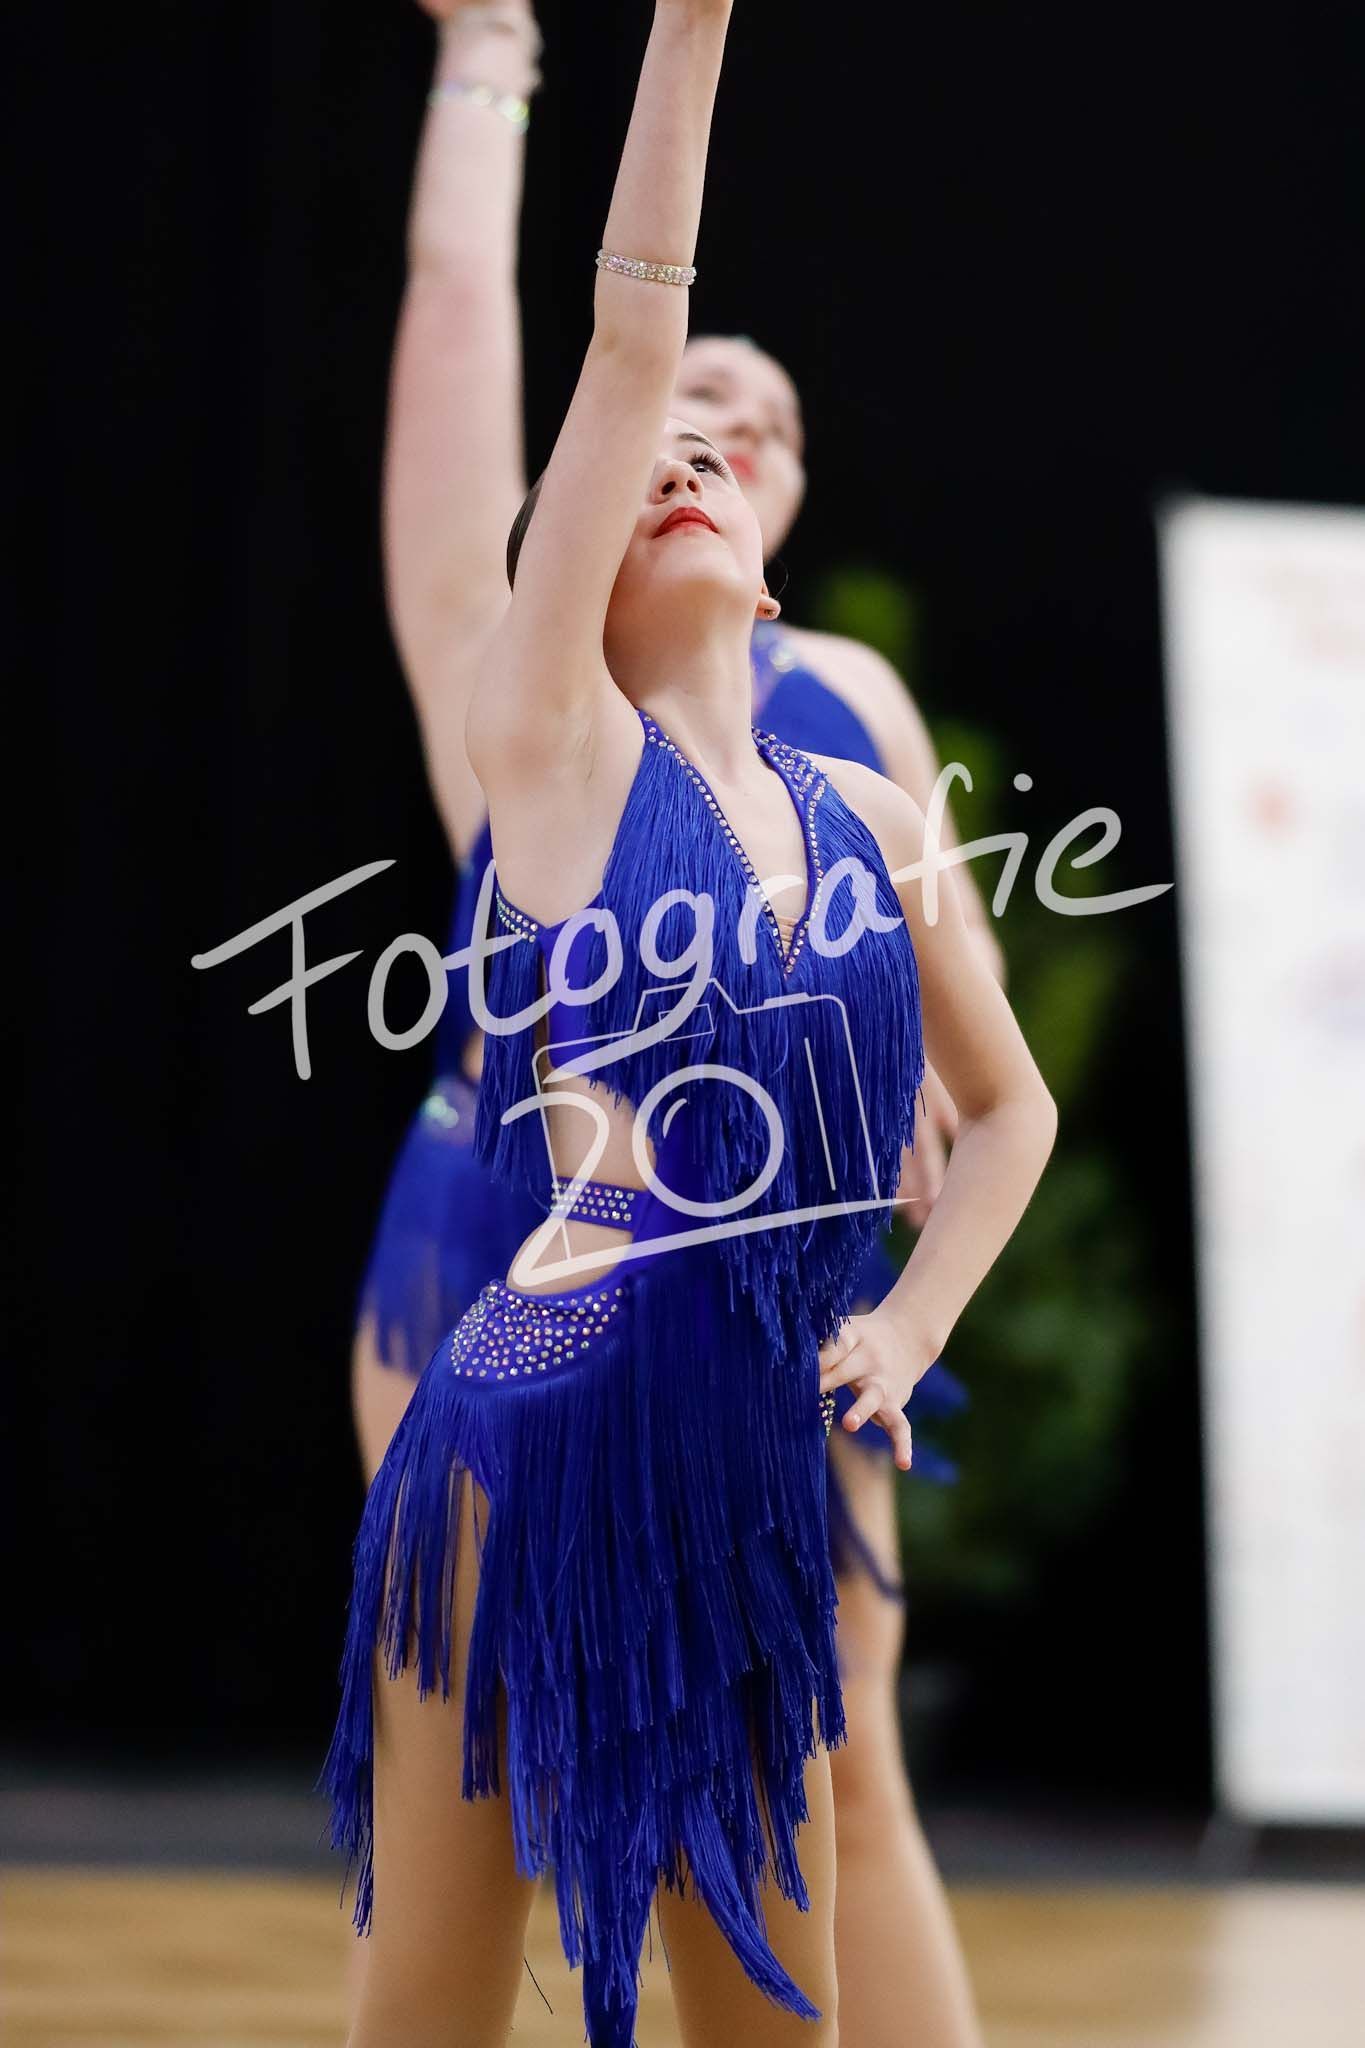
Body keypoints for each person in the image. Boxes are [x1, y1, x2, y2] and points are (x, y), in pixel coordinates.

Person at [325, 4, 1057, 2042]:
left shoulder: (866, 799)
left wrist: (908, 1321)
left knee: (774, 1972)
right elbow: (626, 329)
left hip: (747, 1443)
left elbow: (999, 1108)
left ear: (778, 543)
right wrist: (675, 26)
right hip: (525, 1420)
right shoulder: (552, 741)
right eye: (640, 456)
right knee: (438, 1982)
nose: (684, 452)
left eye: (724, 451)